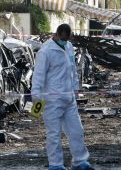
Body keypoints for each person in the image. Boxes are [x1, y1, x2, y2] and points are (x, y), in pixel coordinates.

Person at [31, 24, 94, 170]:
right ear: (57, 34)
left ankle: (80, 162)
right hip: (51, 101)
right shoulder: (45, 51)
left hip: (68, 98)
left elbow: (72, 69)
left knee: (76, 131)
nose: (64, 42)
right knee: (54, 134)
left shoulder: (69, 47)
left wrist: (75, 89)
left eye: (67, 39)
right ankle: (56, 164)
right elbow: (38, 77)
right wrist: (37, 102)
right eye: (63, 39)